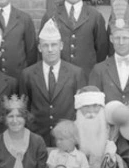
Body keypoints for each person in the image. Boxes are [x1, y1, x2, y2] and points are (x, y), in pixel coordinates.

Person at [19, 18, 87, 146]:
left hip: (67, 140)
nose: (50, 50)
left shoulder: (76, 73)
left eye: (54, 45)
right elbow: (24, 110)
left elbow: (81, 110)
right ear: (39, 47)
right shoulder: (27, 74)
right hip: (37, 139)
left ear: (61, 46)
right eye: (45, 45)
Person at [40, 0, 108, 79]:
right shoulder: (51, 16)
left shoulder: (95, 16)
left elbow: (101, 50)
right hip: (59, 78)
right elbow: (43, 49)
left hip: (87, 76)